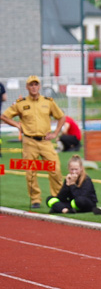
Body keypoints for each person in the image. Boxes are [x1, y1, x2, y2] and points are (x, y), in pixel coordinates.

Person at [0, 75, 65, 208]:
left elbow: (61, 117)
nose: (34, 87)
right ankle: (35, 199)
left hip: (45, 141)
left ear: (39, 86)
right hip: (29, 141)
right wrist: (17, 125)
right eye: (31, 85)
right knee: (30, 172)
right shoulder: (21, 103)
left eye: (36, 84)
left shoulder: (48, 102)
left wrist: (55, 132)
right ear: (27, 87)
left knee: (55, 169)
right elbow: (4, 116)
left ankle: (58, 197)